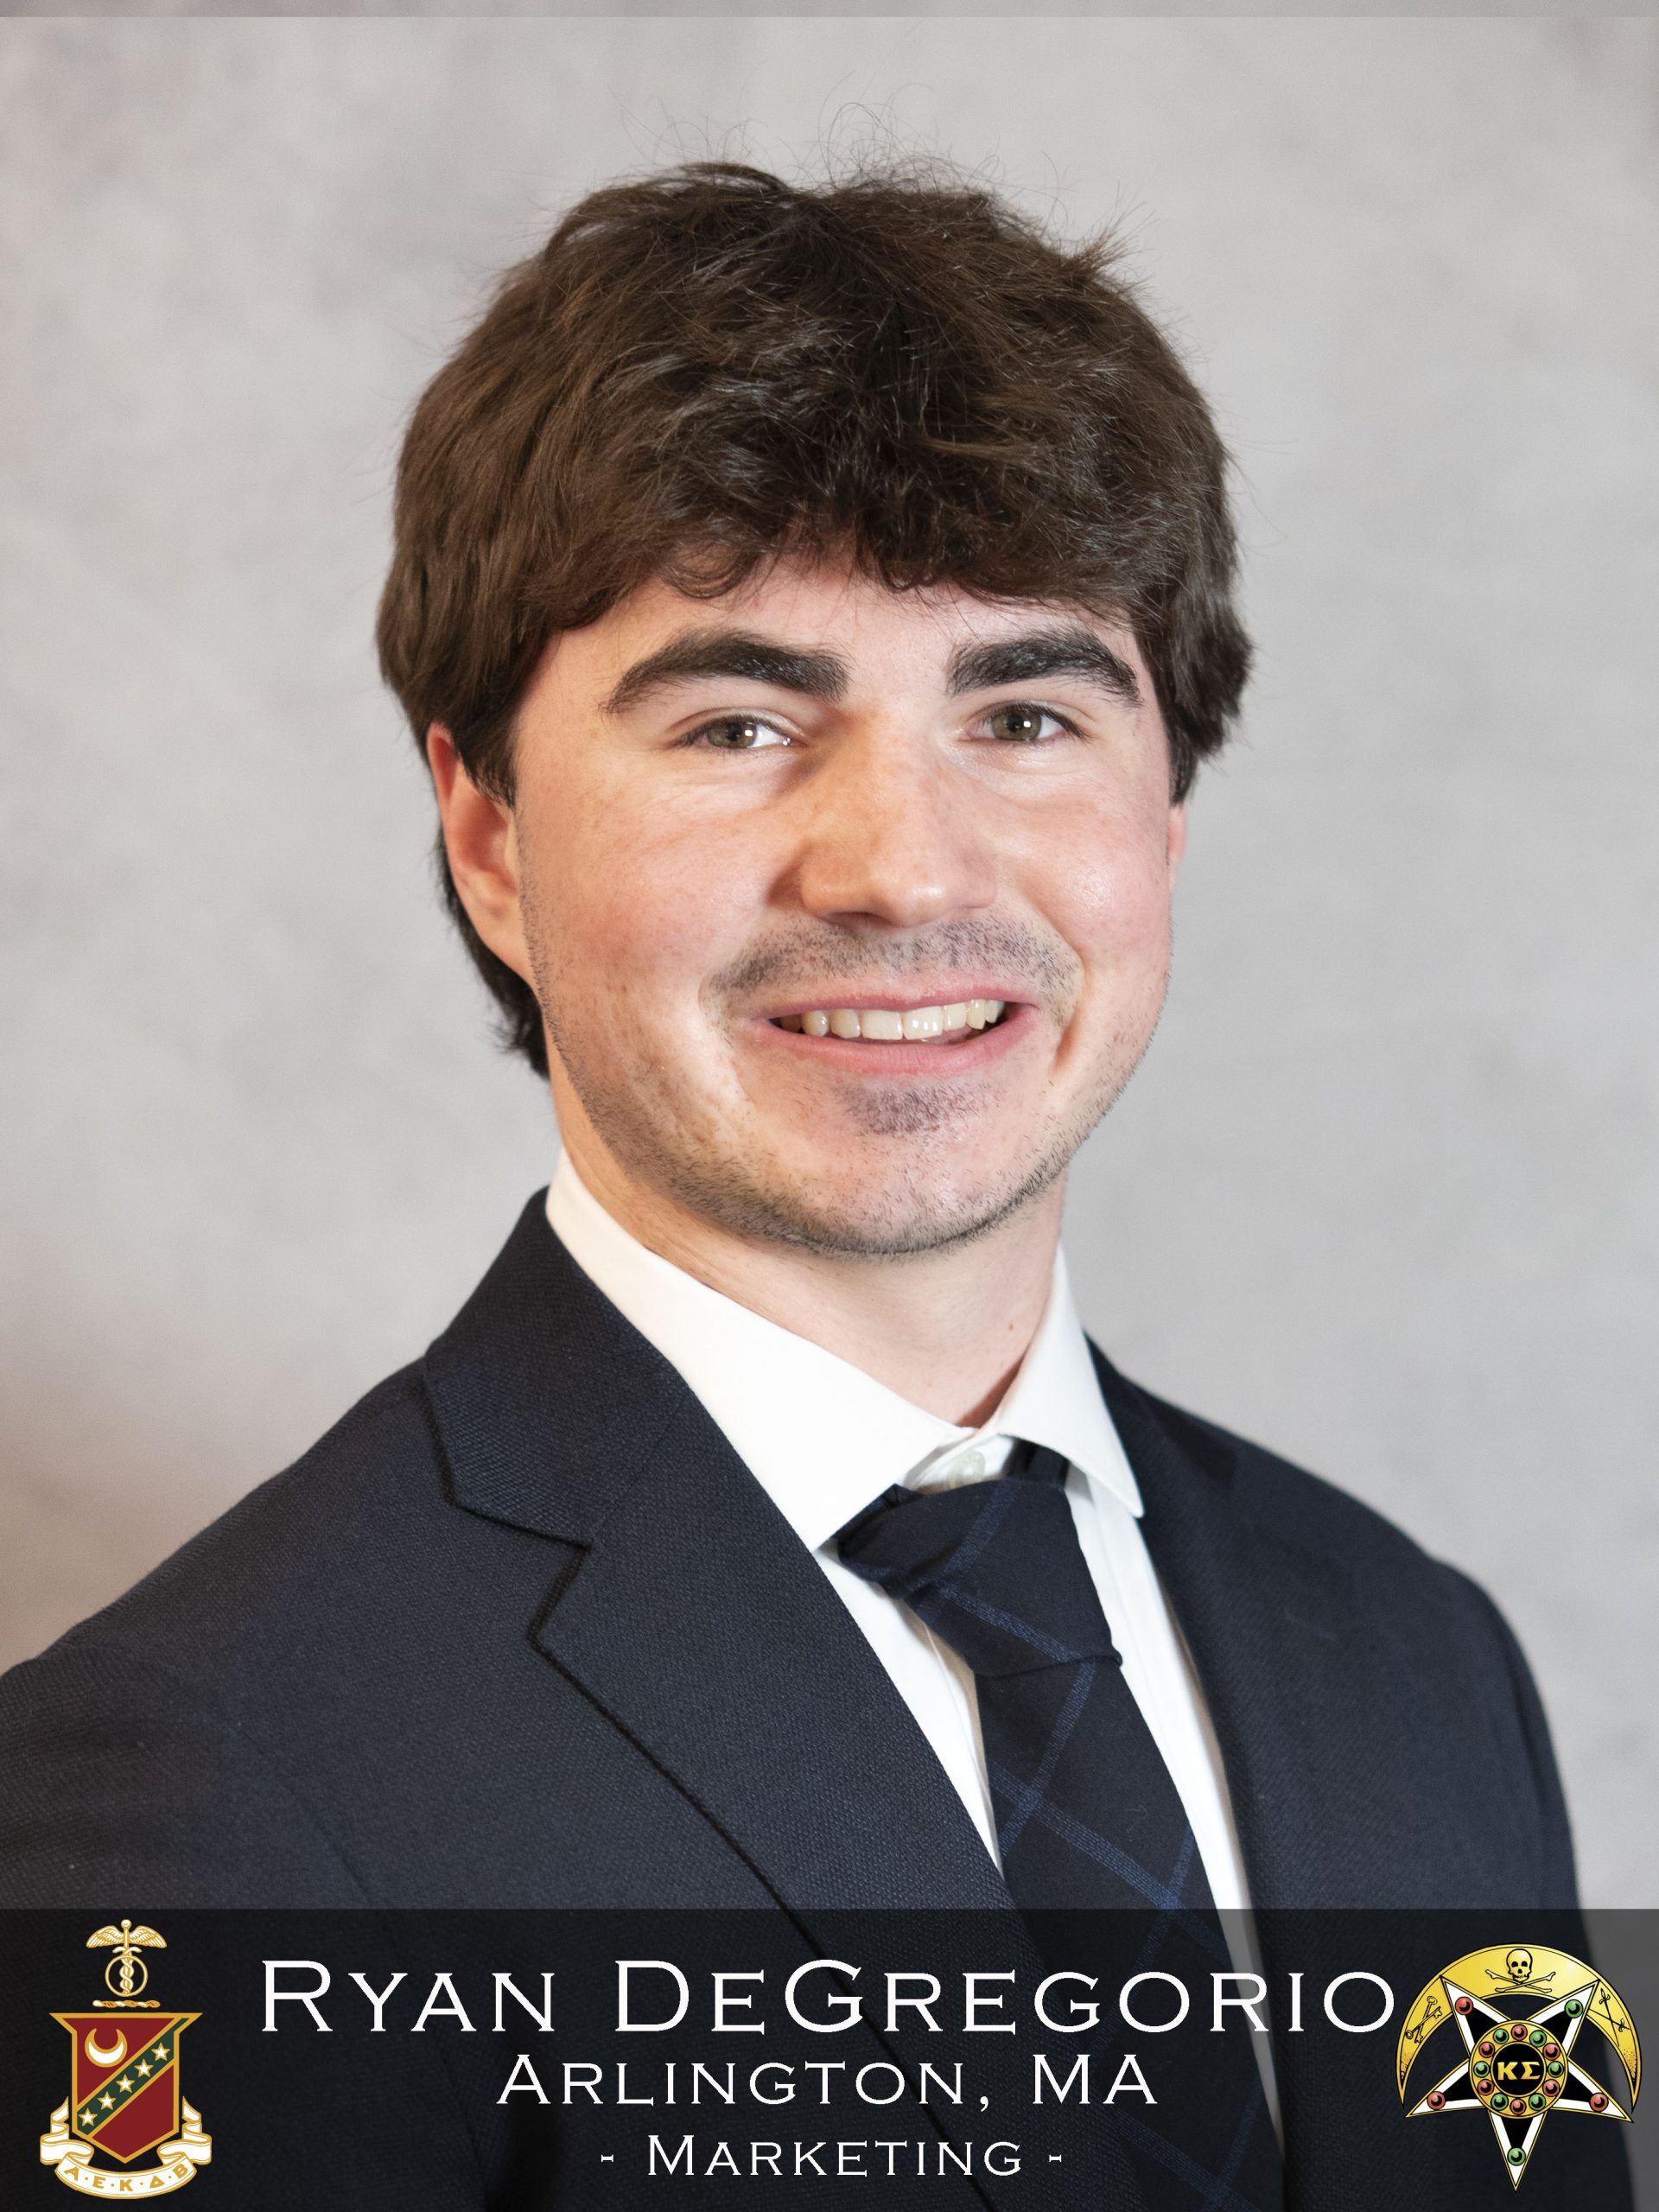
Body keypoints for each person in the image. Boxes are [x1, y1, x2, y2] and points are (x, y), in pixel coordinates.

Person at [0, 162, 1614, 2210]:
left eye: (1024, 710)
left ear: (1164, 817)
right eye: (743, 721)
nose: (905, 868)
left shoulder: (1411, 1654)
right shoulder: (201, 1776)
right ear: (490, 840)